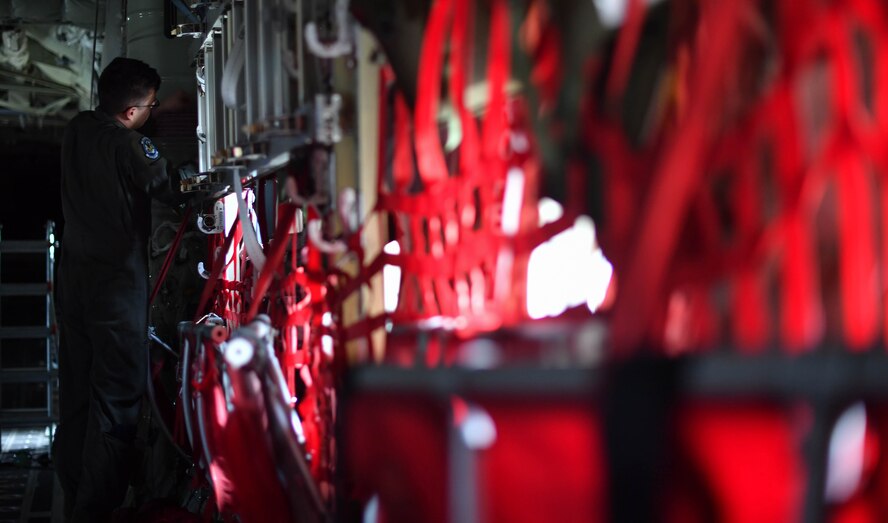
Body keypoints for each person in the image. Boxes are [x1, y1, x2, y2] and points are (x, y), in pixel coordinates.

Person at [54, 57, 184, 522]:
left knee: (77, 393)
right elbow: (173, 187)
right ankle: (96, 510)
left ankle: (74, 494)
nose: (151, 112)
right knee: (118, 395)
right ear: (131, 112)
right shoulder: (129, 145)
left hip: (74, 280)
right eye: (150, 106)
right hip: (115, 285)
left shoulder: (77, 129)